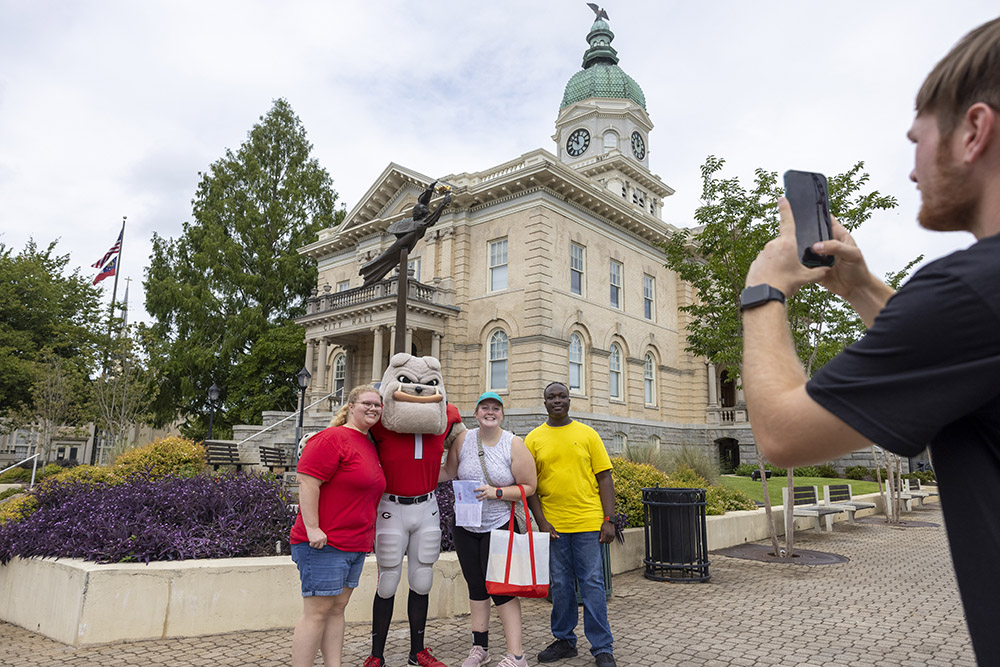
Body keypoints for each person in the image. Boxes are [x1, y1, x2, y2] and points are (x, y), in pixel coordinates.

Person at [740, 17, 1000, 664]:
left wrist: (764, 286)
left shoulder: (969, 290)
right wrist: (858, 286)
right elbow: (938, 361)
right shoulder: (980, 302)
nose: (911, 165)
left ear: (973, 131)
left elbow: (781, 431)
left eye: (918, 138)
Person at [365, 353, 465, 667]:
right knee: (388, 582)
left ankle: (417, 651)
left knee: (422, 579)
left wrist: (452, 471)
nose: (419, 389)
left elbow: (465, 446)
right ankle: (377, 654)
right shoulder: (381, 415)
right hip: (391, 506)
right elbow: (351, 436)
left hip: (427, 505)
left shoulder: (445, 414)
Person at [439, 391, 538, 667]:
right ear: (476, 413)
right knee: (476, 587)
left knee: (502, 590)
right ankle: (480, 649)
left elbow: (529, 487)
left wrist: (497, 492)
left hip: (499, 526)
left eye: (496, 408)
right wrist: (412, 473)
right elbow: (448, 472)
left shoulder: (513, 444)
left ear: (502, 414)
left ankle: (516, 656)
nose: (490, 412)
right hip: (467, 525)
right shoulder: (463, 439)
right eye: (485, 408)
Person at [290, 385, 386, 667]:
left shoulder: (369, 444)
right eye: (367, 403)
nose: (373, 408)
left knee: (337, 609)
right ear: (351, 406)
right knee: (317, 612)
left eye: (378, 405)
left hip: (354, 544)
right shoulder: (332, 438)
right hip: (324, 544)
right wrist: (313, 528)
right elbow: (307, 481)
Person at [525, 382, 617, 667]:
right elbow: (531, 488)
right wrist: (542, 522)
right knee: (561, 585)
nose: (556, 401)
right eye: (551, 397)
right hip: (555, 527)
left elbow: (605, 479)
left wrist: (609, 520)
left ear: (569, 400)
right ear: (544, 402)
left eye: (561, 396)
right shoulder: (533, 439)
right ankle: (564, 640)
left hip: (588, 523)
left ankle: (602, 647)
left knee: (592, 584)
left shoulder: (587, 434)